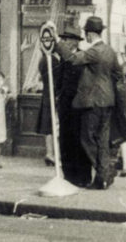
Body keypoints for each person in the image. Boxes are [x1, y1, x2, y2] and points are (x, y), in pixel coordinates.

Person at [56, 15, 123, 190]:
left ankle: (105, 171)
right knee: (102, 139)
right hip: (107, 101)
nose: (86, 36)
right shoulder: (109, 50)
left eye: (86, 33)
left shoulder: (94, 51)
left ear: (90, 34)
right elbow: (118, 73)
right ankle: (101, 179)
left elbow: (72, 59)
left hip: (92, 102)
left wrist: (57, 42)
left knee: (86, 139)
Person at [55, 19, 92, 187]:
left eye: (68, 39)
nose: (65, 42)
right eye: (64, 39)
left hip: (79, 103)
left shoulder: (83, 57)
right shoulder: (62, 58)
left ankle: (82, 176)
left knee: (80, 139)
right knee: (65, 138)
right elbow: (59, 79)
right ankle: (69, 175)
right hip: (65, 103)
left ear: (76, 41)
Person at [36, 42, 62, 166]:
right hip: (55, 96)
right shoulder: (52, 61)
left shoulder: (42, 60)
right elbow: (58, 80)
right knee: (56, 125)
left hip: (47, 95)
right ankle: (54, 154)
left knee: (48, 126)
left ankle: (49, 153)